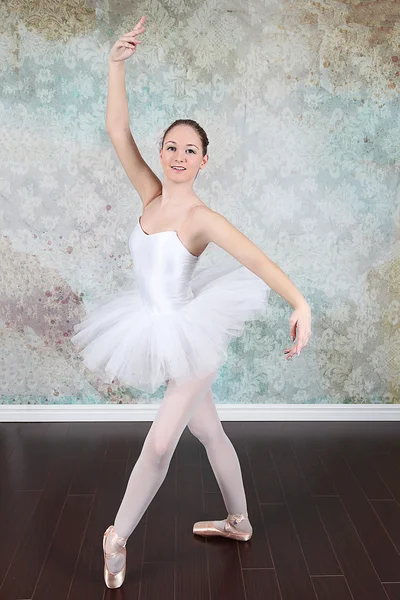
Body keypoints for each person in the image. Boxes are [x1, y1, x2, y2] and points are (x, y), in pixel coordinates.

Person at [70, 15, 312, 589]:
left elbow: (255, 259)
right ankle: (240, 522)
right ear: (162, 150)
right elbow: (115, 128)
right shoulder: (150, 195)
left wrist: (299, 302)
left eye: (191, 150)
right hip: (152, 325)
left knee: (161, 441)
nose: (179, 156)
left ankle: (117, 537)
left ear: (205, 161)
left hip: (191, 334)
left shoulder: (201, 219)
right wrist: (115, 65)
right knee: (210, 433)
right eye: (172, 146)